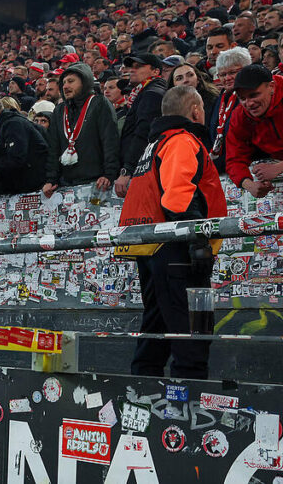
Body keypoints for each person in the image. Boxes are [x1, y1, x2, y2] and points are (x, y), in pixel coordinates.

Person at [115, 86, 227, 379]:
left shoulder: (155, 144)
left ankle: (143, 387)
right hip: (178, 246)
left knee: (158, 325)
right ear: (196, 111)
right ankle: (190, 392)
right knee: (193, 327)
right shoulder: (181, 141)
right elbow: (178, 197)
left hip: (152, 246)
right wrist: (198, 241)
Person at [43, 63, 121, 197]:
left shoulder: (99, 103)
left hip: (97, 182)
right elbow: (53, 148)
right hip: (65, 185)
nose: (65, 86)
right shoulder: (59, 110)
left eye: (71, 81)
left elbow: (110, 141)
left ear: (85, 82)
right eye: (64, 83)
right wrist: (51, 179)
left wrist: (109, 174)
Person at [225, 64, 283, 197]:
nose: (249, 103)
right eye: (242, 98)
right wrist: (249, 185)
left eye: (254, 95)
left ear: (271, 87)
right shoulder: (240, 116)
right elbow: (234, 159)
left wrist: (279, 167)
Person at [0, 94, 49, 194]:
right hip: (27, 187)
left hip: (36, 188)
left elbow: (16, 159)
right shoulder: (4, 125)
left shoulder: (13, 124)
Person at [117, 53, 168, 197]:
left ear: (155, 71)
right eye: (131, 67)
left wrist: (128, 169)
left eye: (139, 66)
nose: (132, 70)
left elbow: (143, 133)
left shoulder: (152, 93)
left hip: (143, 169)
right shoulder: (144, 92)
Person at [209, 48, 252, 173]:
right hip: (224, 167)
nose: (227, 78)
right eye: (222, 74)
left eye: (233, 72)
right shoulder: (219, 99)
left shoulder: (252, 97)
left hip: (248, 165)